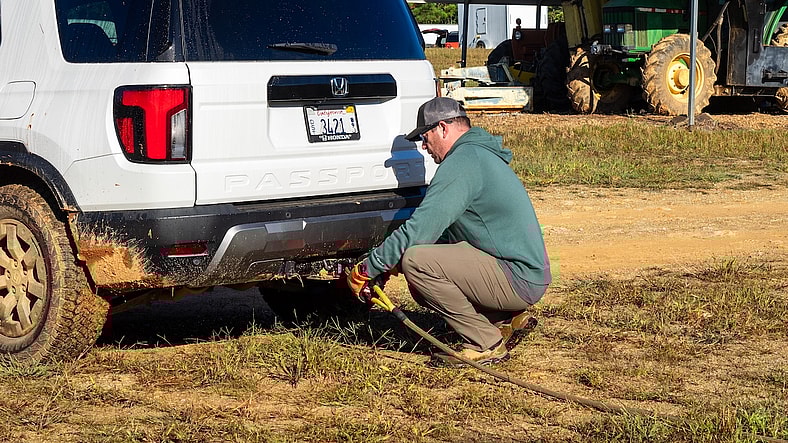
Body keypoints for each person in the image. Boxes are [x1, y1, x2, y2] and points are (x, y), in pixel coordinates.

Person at [347, 97, 551, 366]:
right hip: (523, 272)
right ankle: (505, 317)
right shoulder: (477, 155)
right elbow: (446, 236)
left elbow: (421, 229)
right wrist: (388, 265)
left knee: (418, 263)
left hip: (518, 279)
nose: (424, 145)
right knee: (420, 261)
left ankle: (484, 342)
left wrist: (368, 268)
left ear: (443, 128)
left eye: (425, 135)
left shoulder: (462, 163)